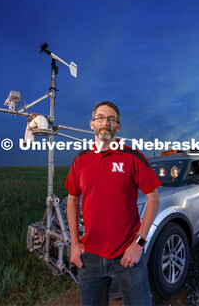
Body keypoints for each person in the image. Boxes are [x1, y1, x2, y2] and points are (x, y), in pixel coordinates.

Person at [65, 101, 161, 306]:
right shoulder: (80, 160)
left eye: (111, 119)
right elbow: (72, 199)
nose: (105, 122)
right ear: (92, 124)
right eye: (100, 117)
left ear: (118, 126)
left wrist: (139, 243)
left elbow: (154, 197)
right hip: (89, 257)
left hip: (128, 255)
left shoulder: (132, 157)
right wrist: (74, 243)